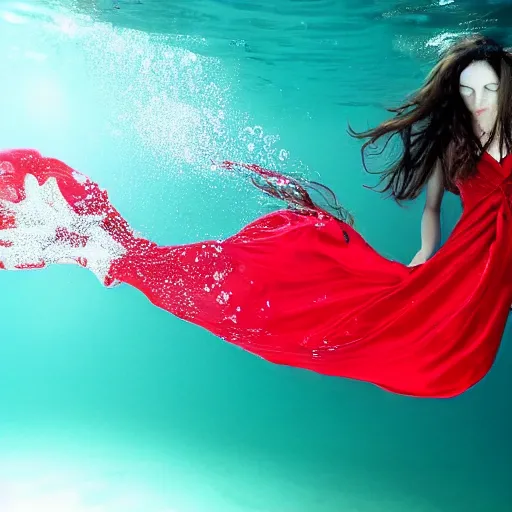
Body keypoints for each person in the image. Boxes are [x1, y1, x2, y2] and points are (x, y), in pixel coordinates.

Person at [1, 34, 511, 399]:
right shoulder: (454, 144)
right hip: (453, 274)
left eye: (489, 90)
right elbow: (431, 209)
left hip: (487, 280)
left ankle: (105, 250)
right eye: (467, 91)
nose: (478, 101)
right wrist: (424, 255)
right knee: (331, 305)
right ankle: (110, 251)